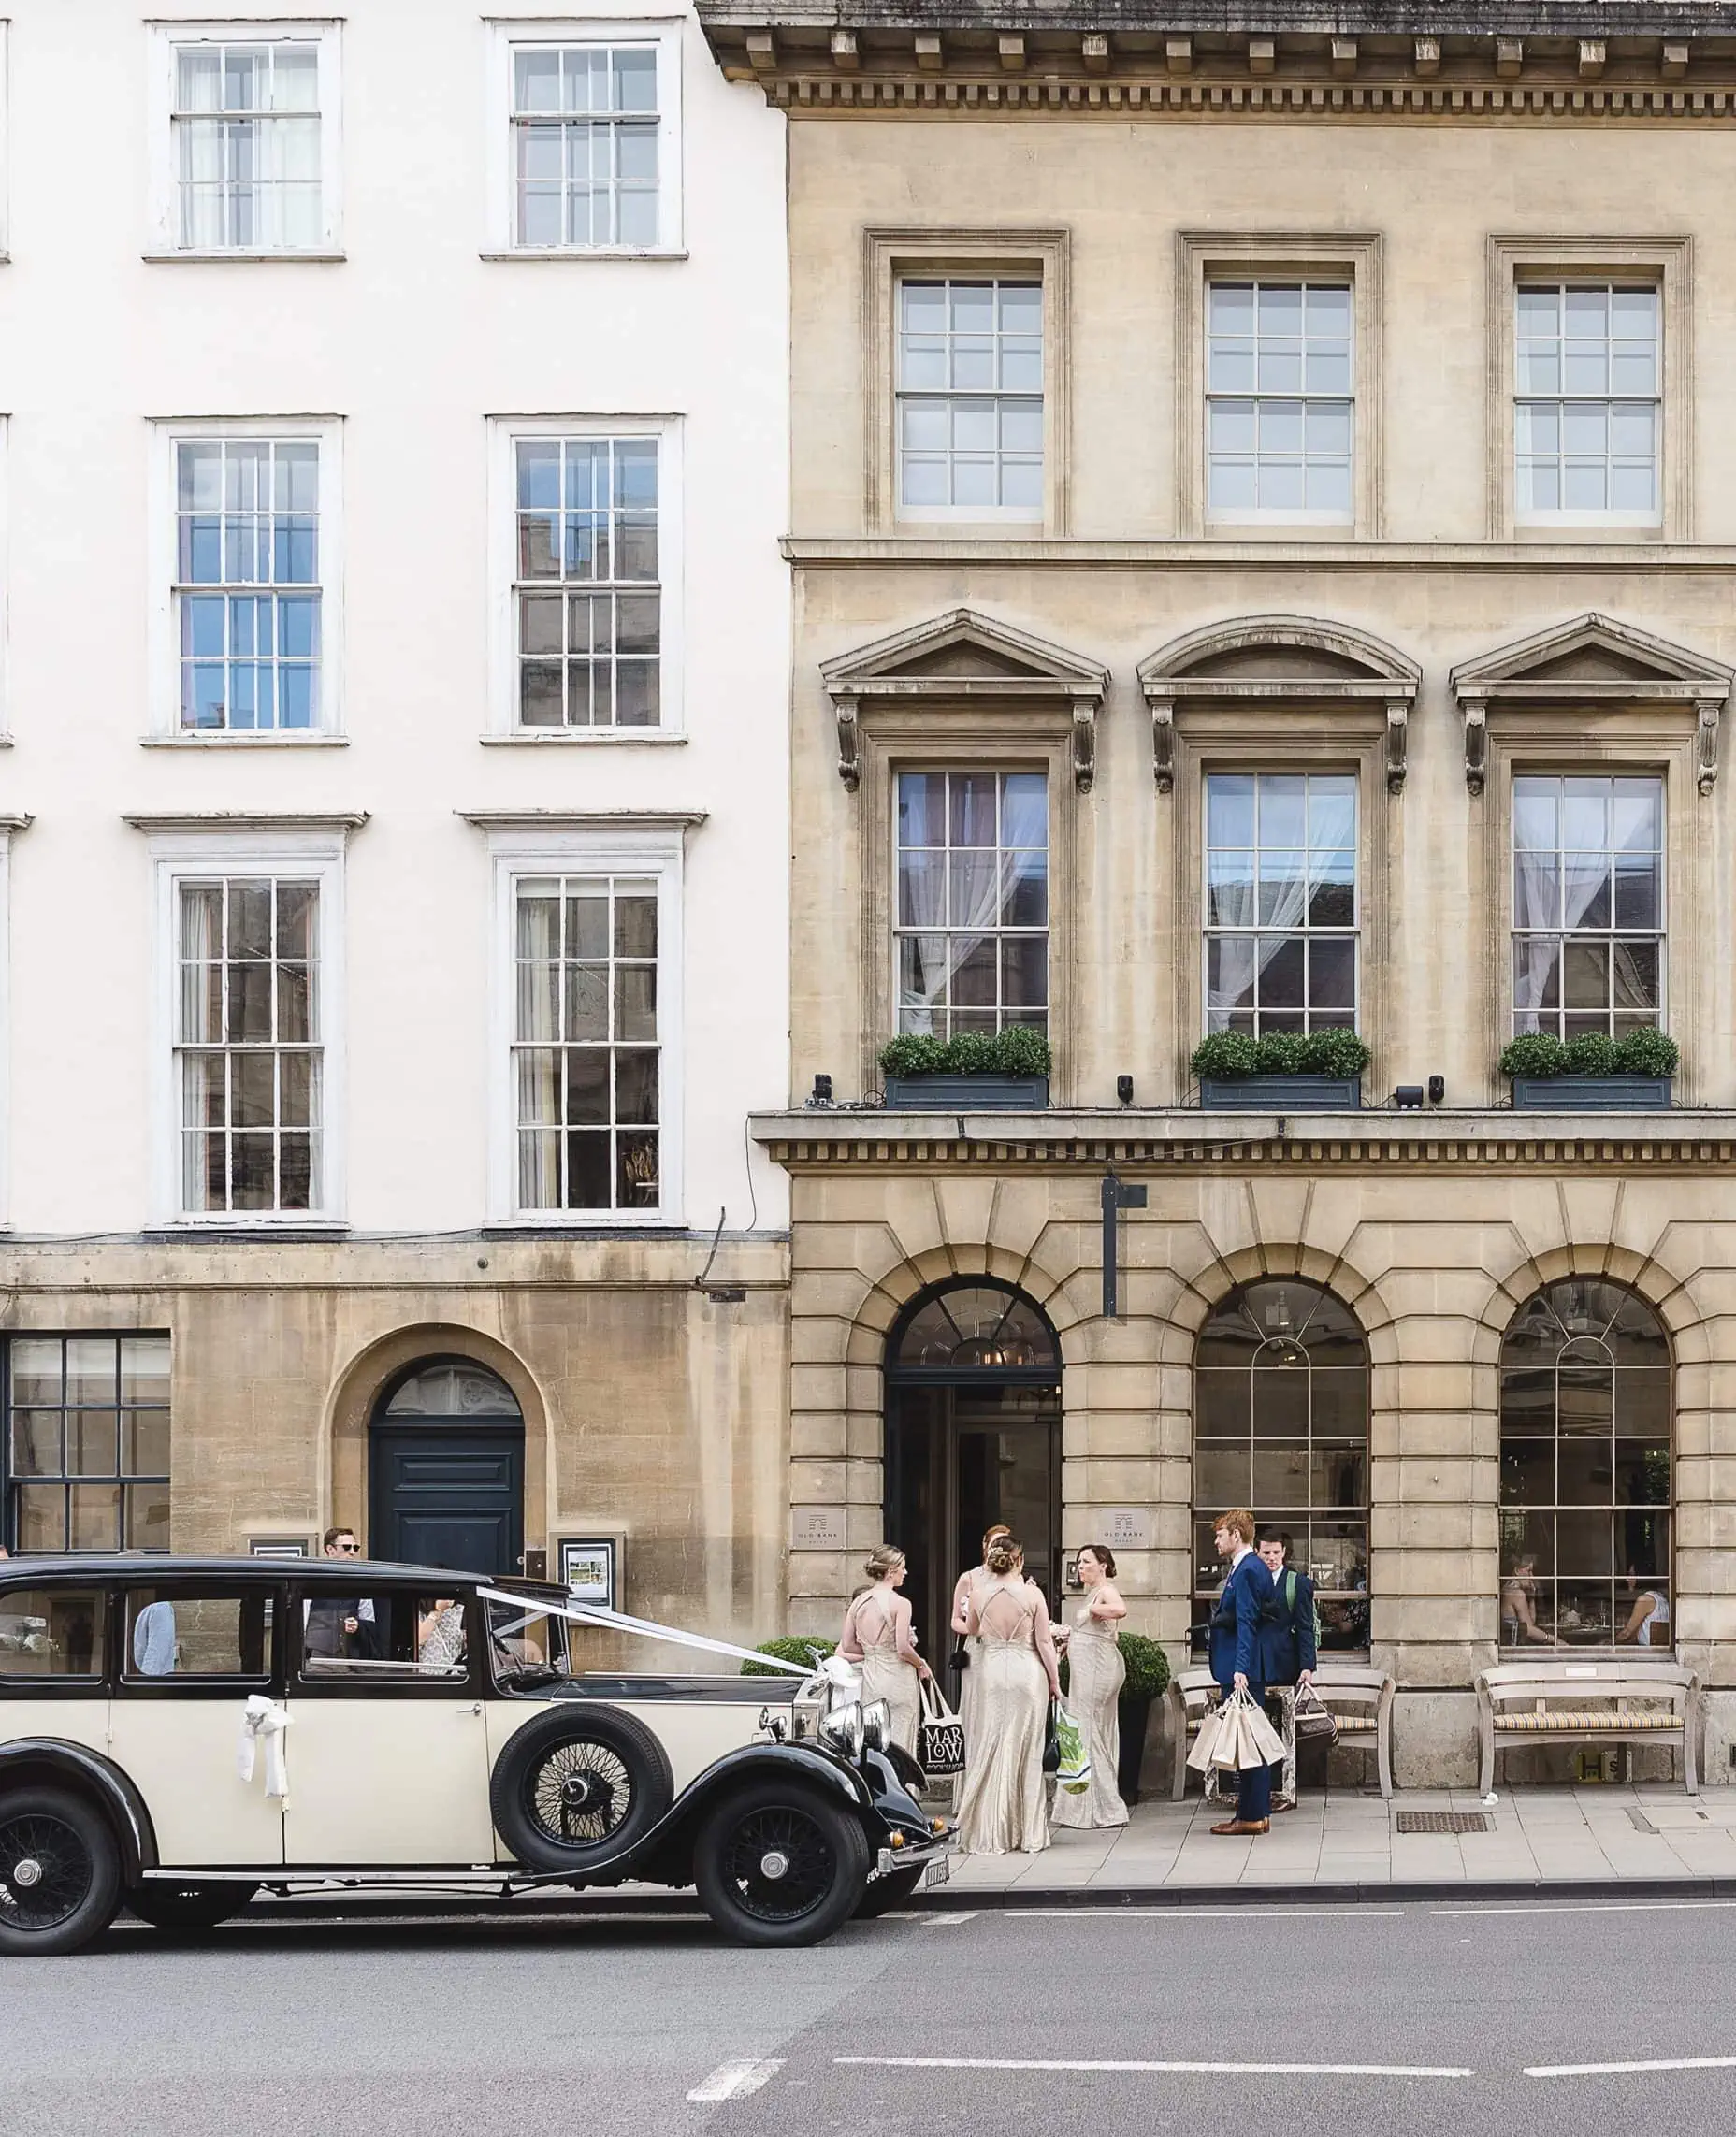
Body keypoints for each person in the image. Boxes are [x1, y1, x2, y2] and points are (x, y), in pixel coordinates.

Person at [955, 1533, 1060, 1856]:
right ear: (1020, 1560)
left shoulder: (979, 1593)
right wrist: (1055, 1681)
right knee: (1026, 1751)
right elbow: (1043, 1642)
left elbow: (971, 1630)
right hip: (1026, 1671)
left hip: (990, 1671)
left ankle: (989, 1830)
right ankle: (1026, 1832)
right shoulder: (1032, 1595)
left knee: (991, 1743)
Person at [1208, 1508, 1277, 1837]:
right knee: (1251, 1740)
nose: (1217, 1541)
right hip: (1246, 1665)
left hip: (1243, 1667)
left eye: (1220, 1535)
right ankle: (1256, 1812)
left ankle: (1250, 1815)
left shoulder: (1247, 1569)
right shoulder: (1249, 1567)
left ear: (1236, 1535)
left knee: (1247, 1742)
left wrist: (1240, 1669)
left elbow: (1248, 1622)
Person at [1051, 1543, 1129, 1830]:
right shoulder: (1091, 1593)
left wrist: (1096, 1609)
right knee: (1086, 1729)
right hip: (1088, 1669)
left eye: (1086, 1562)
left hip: (1097, 1671)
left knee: (1088, 1729)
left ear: (1103, 1565)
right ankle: (1085, 1803)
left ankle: (1105, 1807)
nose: (1080, 1567)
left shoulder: (1105, 1591)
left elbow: (1120, 1610)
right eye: (1079, 1562)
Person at [838, 1544, 930, 1755]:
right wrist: (920, 1664)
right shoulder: (901, 1603)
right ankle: (901, 1787)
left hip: (872, 1680)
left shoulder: (858, 1602)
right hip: (898, 1679)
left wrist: (872, 1652)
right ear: (891, 1571)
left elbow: (847, 1645)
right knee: (901, 1743)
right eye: (902, 1568)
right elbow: (902, 1648)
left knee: (874, 1742)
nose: (905, 1573)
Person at [1257, 1528, 1318, 1813]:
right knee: (1259, 1728)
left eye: (1275, 1553)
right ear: (1258, 1552)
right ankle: (1260, 1790)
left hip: (1285, 1663)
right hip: (1255, 1664)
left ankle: (1285, 1791)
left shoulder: (1298, 1583)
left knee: (1282, 1730)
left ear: (1284, 1553)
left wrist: (1307, 1666)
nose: (1271, 1558)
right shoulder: (1251, 1579)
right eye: (1266, 1552)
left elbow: (1306, 1626)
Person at [949, 1523, 1012, 1749]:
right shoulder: (969, 1578)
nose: (999, 1549)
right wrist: (976, 1628)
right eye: (995, 1544)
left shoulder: (1016, 1579)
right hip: (977, 1648)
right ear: (985, 1546)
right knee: (978, 1704)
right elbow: (955, 1620)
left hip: (1006, 1649)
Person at [305, 1526, 376, 1662]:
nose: (352, 1553)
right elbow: (302, 1622)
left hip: (351, 1661)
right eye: (347, 1547)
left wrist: (358, 1626)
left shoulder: (362, 1583)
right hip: (318, 1660)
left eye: (355, 1548)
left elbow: (370, 1623)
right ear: (330, 1549)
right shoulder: (314, 1581)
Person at [1501, 1556, 1554, 1646]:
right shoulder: (1516, 1593)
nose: (1532, 1576)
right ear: (1517, 1571)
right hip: (1512, 1646)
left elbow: (1530, 1623)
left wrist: (1531, 1598)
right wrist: (1552, 1639)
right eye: (1529, 1571)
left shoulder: (1509, 1588)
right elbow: (1529, 1629)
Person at [1617, 1570, 1671, 1648]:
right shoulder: (1660, 1596)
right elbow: (1636, 1634)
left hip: (1648, 1652)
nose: (1627, 1579)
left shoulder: (1645, 1600)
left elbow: (1626, 1634)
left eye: (1632, 1576)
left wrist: (1608, 1643)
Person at [418, 1596, 467, 1671]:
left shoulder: (460, 1610)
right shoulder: (418, 1607)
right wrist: (438, 1610)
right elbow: (419, 1640)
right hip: (426, 1676)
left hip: (452, 1676)